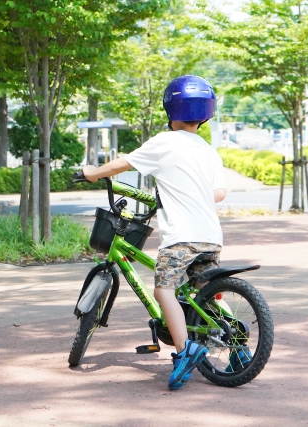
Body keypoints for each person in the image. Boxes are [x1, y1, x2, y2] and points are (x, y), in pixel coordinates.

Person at [82, 75, 227, 390]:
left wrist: (93, 173)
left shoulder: (164, 142)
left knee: (164, 291)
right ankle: (237, 349)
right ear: (205, 115)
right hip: (211, 236)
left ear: (170, 110)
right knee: (202, 293)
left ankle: (184, 350)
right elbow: (219, 193)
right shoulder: (208, 151)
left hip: (182, 237)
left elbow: (124, 164)